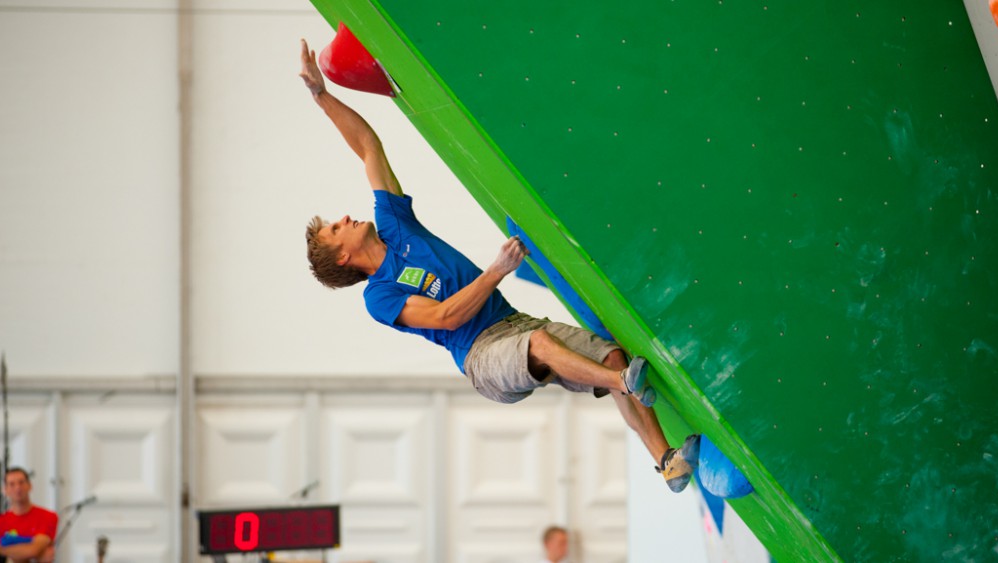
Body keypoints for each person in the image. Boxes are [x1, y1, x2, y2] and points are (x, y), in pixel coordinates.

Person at [298, 39, 698, 492]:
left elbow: (368, 146)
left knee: (609, 351)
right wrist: (496, 270)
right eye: (337, 229)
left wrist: (321, 95)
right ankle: (623, 383)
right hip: (481, 357)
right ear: (344, 257)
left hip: (510, 321)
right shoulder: (379, 296)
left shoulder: (394, 225)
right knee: (544, 344)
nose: (345, 218)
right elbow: (447, 316)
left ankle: (666, 461)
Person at [0, 468, 56, 563]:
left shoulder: (48, 516)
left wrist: (2, 550)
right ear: (5, 490)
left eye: (21, 482)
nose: (18, 488)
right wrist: (34, 554)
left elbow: (34, 550)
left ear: (30, 486)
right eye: (12, 484)